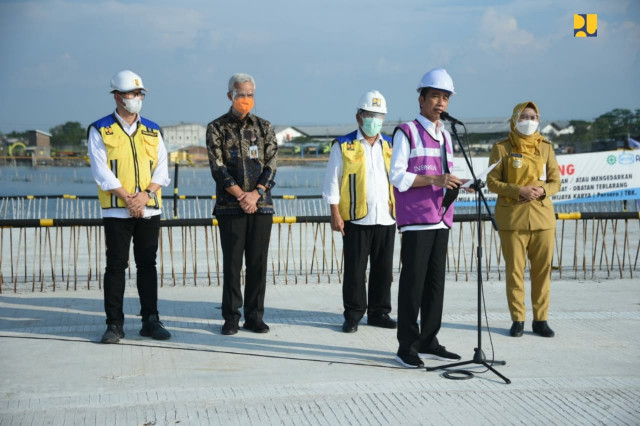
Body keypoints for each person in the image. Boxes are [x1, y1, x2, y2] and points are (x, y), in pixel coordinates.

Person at [389, 68, 466, 368]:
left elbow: (444, 175)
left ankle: (429, 340)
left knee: (435, 284)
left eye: (445, 98)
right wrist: (434, 180)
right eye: (435, 96)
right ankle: (406, 346)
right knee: (413, 284)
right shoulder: (405, 132)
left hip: (442, 217)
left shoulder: (446, 135)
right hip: (417, 220)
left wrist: (457, 182)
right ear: (421, 99)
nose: (441, 103)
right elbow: (397, 176)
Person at [87, 70, 171, 344]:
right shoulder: (101, 129)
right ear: (117, 96)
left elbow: (162, 169)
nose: (136, 98)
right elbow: (102, 172)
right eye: (132, 94)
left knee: (148, 265)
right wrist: (127, 198)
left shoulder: (152, 129)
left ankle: (151, 320)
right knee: (115, 266)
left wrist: (145, 195)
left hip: (149, 208)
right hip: (117, 210)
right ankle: (114, 324)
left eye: (139, 94)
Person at [206, 73, 278, 335]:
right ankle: (231, 316)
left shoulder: (264, 127)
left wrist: (255, 194)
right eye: (241, 94)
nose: (246, 99)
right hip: (230, 207)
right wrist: (241, 195)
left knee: (258, 263)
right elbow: (218, 167)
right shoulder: (217, 128)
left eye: (250, 94)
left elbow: (271, 164)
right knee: (233, 264)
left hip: (261, 205)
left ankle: (255, 315)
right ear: (230, 96)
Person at [322, 90, 397, 333]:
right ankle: (353, 314)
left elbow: (397, 182)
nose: (374, 120)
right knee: (355, 271)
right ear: (359, 116)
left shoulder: (390, 145)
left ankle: (379, 313)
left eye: (379, 115)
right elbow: (333, 181)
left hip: (385, 217)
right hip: (355, 218)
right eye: (370, 114)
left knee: (383, 270)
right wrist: (334, 212)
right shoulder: (344, 145)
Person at [487, 101, 561, 338]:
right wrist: (518, 190)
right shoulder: (502, 148)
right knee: (515, 271)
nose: (529, 121)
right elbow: (491, 182)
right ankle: (517, 319)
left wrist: (543, 191)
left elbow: (555, 181)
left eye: (534, 117)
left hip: (543, 218)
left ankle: (541, 320)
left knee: (542, 272)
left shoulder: (546, 147)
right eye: (525, 116)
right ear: (515, 118)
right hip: (513, 218)